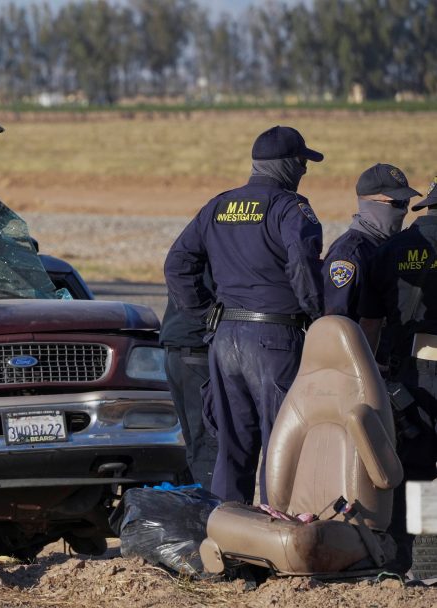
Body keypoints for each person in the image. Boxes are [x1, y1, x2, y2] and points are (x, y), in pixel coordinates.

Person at [164, 125, 325, 504]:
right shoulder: (290, 207)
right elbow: (303, 262)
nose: (305, 171)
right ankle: (276, 540)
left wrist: (206, 314)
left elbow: (177, 263)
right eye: (303, 163)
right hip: (275, 340)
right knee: (281, 445)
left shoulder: (219, 205)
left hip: (225, 339)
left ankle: (226, 543)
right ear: (287, 166)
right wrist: (319, 314)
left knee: (231, 448)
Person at [359, 176, 437, 574]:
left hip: (409, 373)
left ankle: (420, 563)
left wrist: (369, 374)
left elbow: (370, 324)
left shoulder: (394, 249)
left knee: (419, 469)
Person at [323, 164, 419, 320]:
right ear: (369, 202)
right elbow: (333, 323)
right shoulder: (349, 255)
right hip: (359, 343)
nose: (404, 211)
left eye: (406, 203)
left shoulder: (393, 248)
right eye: (397, 203)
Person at [160, 278, 218, 492]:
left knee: (196, 441)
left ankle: (201, 508)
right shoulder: (212, 247)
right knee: (207, 442)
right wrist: (207, 315)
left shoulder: (194, 247)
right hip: (195, 348)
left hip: (179, 347)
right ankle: (211, 513)